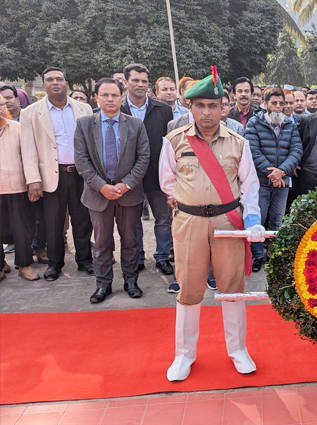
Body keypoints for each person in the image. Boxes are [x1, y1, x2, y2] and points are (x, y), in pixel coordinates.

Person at [160, 69, 266, 381]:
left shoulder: (238, 143)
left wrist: (253, 222)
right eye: (200, 105)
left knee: (232, 287)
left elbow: (250, 186)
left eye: (213, 105)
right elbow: (167, 182)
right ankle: (184, 355)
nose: (207, 112)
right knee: (189, 289)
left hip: (227, 222)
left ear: (224, 108)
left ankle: (238, 350)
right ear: (189, 108)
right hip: (189, 222)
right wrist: (183, 200)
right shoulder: (174, 142)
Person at [74, 78, 150, 303]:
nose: (110, 99)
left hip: (129, 194)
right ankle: (103, 284)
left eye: (114, 95)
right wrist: (101, 186)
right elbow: (81, 160)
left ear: (121, 97)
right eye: (104, 95)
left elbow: (143, 158)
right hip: (98, 195)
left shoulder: (135, 124)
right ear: (96, 97)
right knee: (102, 243)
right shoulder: (84, 124)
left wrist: (125, 184)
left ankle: (131, 281)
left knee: (130, 241)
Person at [21, 67, 95, 281]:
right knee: (53, 223)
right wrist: (33, 180)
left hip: (82, 174)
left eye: (60, 79)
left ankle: (85, 261)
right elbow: (28, 150)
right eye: (50, 80)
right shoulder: (31, 113)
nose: (55, 82)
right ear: (43, 85)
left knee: (83, 220)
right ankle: (55, 264)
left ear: (66, 83)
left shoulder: (84, 110)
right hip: (51, 177)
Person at [119, 64, 175, 276]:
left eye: (144, 81)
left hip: (157, 175)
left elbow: (170, 144)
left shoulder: (162, 110)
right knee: (133, 221)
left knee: (162, 219)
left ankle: (162, 257)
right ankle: (138, 256)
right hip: (128, 177)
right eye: (135, 80)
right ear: (126, 82)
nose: (140, 85)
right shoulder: (119, 109)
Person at [245, 87, 302, 272]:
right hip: (261, 182)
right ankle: (257, 256)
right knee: (258, 221)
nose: (278, 107)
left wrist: (282, 172)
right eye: (274, 103)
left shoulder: (290, 125)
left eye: (281, 103)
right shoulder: (254, 124)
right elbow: (253, 151)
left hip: (283, 182)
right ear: (265, 104)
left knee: (277, 220)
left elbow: (296, 151)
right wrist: (272, 173)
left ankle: (273, 256)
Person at [0, 97, 39, 281]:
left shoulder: (17, 128)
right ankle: (1, 265)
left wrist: (32, 182)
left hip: (17, 188)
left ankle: (24, 264)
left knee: (22, 228)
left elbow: (30, 157)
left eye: (1, 104)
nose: (0, 108)